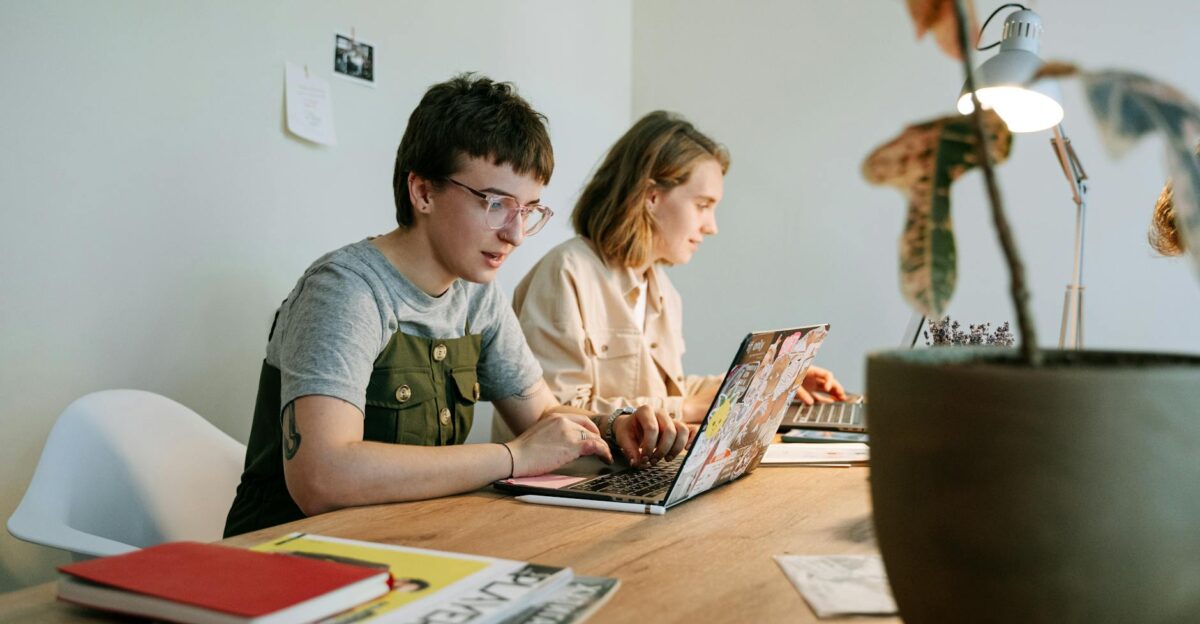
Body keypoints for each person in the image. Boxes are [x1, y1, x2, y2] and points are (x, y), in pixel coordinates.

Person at [224, 75, 685, 538]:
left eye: (528, 210)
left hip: (410, 542)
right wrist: (512, 457)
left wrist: (614, 429)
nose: (515, 234)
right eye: (496, 204)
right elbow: (322, 478)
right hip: (288, 556)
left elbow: (543, 419)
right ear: (423, 192)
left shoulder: (476, 294)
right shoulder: (347, 291)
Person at [493, 111, 845, 445]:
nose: (711, 226)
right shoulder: (566, 272)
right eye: (703, 205)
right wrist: (689, 409)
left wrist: (764, 383)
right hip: (571, 480)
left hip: (630, 474)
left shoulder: (662, 290)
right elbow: (555, 413)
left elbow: (664, 395)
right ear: (652, 197)